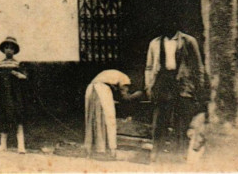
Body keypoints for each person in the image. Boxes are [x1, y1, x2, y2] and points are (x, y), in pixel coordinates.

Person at [144, 15, 206, 162]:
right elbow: (149, 67)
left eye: (170, 22)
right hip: (163, 83)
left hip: (182, 84)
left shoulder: (188, 41)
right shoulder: (155, 43)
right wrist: (148, 86)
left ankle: (179, 155)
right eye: (163, 23)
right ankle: (156, 154)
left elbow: (198, 67)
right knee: (160, 121)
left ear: (176, 24)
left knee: (181, 123)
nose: (166, 26)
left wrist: (199, 88)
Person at [84, 69, 143, 157]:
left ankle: (92, 149)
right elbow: (126, 97)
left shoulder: (112, 75)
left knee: (93, 118)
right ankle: (110, 149)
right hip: (101, 90)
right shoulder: (125, 78)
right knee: (109, 118)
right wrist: (137, 95)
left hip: (90, 89)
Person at [0, 36, 27, 153]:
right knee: (3, 117)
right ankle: (3, 145)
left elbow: (24, 77)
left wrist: (15, 73)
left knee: (18, 117)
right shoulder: (0, 64)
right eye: (6, 48)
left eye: (11, 48)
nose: (9, 50)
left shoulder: (18, 64)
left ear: (14, 50)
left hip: (15, 95)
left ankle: (21, 145)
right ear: (3, 50)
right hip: (3, 94)